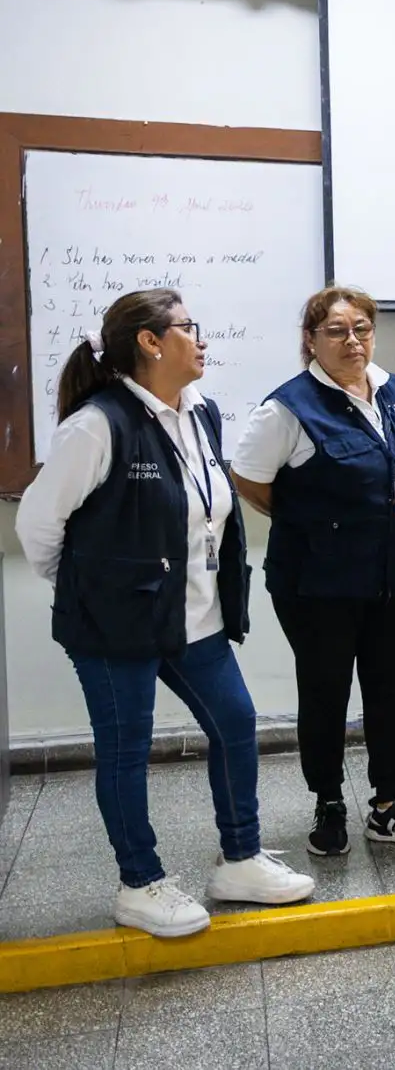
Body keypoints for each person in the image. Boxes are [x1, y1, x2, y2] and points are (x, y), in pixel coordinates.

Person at [15, 290, 315, 937]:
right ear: (150, 342)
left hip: (194, 615)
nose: (200, 340)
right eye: (187, 328)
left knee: (235, 722)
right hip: (113, 624)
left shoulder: (198, 412)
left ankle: (240, 859)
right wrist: (90, 589)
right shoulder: (97, 424)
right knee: (126, 749)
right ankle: (140, 881)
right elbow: (38, 524)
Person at [231, 286, 395, 857]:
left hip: (394, 575)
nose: (352, 340)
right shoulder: (288, 407)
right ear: (310, 340)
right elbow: (249, 479)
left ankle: (388, 805)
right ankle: (328, 801)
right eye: (336, 331)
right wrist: (307, 517)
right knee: (325, 692)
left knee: (388, 691)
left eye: (362, 329)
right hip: (317, 583)